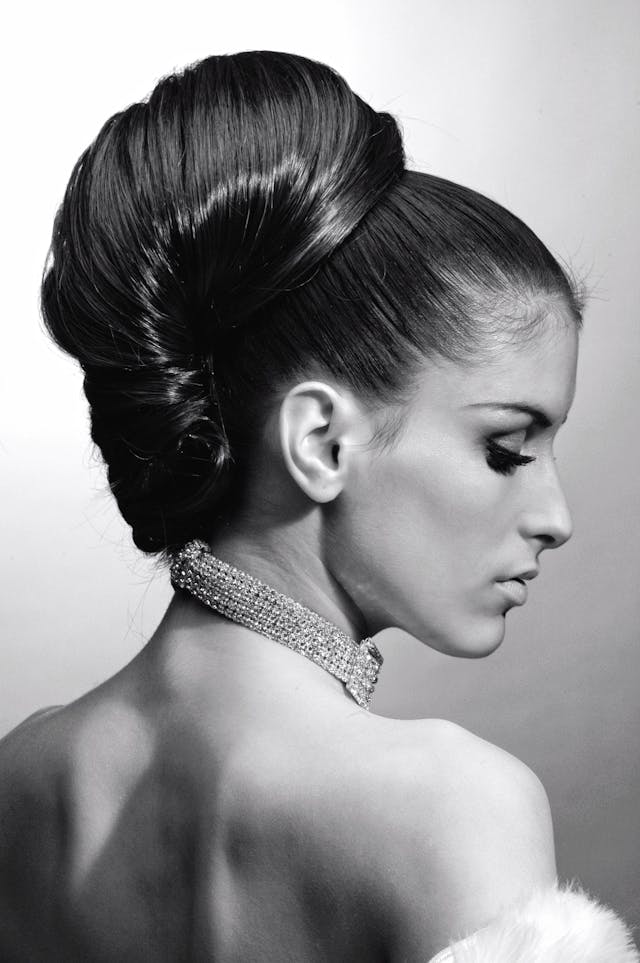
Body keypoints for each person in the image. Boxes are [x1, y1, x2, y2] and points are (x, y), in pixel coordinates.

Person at [0, 50, 637, 962]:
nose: (556, 517)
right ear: (321, 442)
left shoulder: (21, 778)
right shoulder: (452, 806)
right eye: (505, 450)